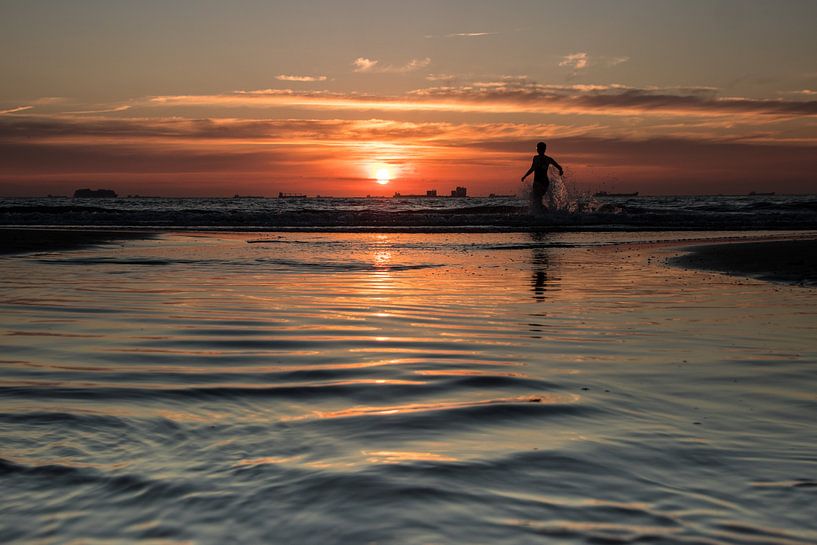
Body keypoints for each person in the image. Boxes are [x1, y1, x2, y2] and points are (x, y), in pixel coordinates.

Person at [521, 142, 564, 214]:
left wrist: (560, 171)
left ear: (541, 149)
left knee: (537, 199)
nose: (537, 149)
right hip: (539, 182)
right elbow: (532, 168)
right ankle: (545, 213)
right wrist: (525, 176)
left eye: (537, 148)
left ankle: (544, 213)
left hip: (542, 182)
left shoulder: (546, 159)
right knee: (537, 200)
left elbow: (559, 167)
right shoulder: (539, 158)